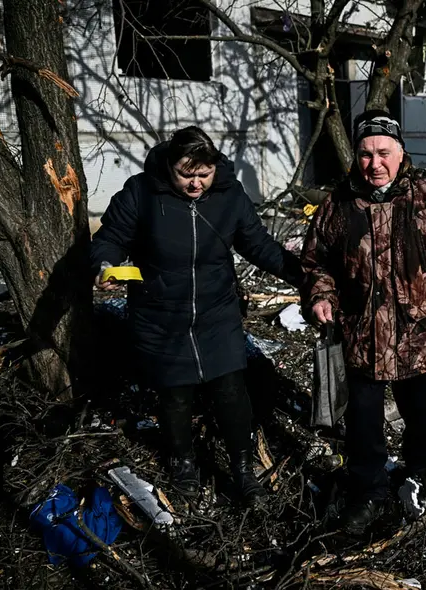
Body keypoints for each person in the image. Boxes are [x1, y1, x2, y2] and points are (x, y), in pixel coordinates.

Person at [91, 126, 302, 506]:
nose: (195, 184)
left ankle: (243, 470)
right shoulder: (141, 192)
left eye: (203, 174)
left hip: (216, 312)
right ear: (169, 166)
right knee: (175, 396)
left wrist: (304, 274)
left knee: (231, 391)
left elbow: (259, 245)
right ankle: (183, 464)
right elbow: (110, 238)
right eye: (185, 175)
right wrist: (105, 264)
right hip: (161, 315)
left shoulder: (229, 195)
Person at [300, 110, 426, 534]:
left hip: (420, 336)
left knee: (422, 414)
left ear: (401, 152)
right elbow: (316, 262)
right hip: (360, 338)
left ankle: (417, 475)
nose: (374, 164)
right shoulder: (338, 203)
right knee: (362, 423)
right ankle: (368, 493)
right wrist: (322, 295)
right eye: (365, 154)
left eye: (383, 152)